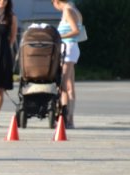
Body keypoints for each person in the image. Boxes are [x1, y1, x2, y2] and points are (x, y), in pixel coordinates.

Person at [53, 0, 83, 129]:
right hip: (71, 48)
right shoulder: (74, 9)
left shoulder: (68, 11)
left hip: (68, 49)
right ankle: (69, 119)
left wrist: (58, 36)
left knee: (63, 85)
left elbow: (76, 31)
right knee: (69, 86)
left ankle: (64, 117)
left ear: (56, 2)